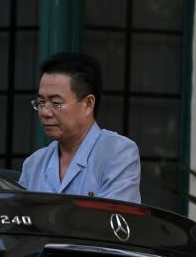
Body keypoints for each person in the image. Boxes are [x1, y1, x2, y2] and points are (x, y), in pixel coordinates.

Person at [18, 52, 141, 203]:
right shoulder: (34, 164)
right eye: (41, 102)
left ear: (88, 104)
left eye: (56, 103)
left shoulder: (118, 153)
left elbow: (115, 221)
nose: (45, 112)